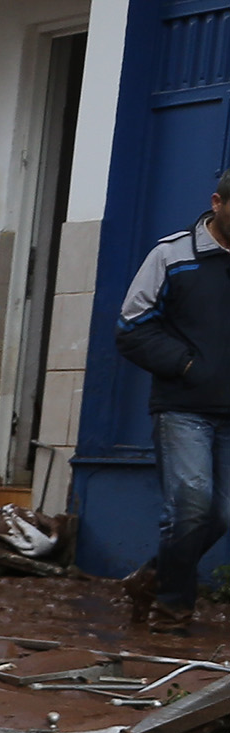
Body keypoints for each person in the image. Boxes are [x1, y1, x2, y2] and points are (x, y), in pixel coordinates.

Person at [116, 170, 230, 634]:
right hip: (184, 408)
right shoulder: (172, 255)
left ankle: (150, 578)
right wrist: (187, 366)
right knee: (190, 506)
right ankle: (172, 609)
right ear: (217, 203)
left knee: (222, 515)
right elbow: (132, 325)